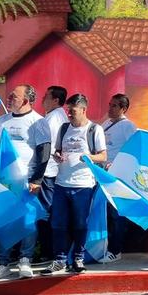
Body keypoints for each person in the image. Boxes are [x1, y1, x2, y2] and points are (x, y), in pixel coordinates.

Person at [41, 93, 108, 275]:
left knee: (80, 223)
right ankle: (59, 260)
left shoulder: (94, 129)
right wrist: (57, 156)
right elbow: (58, 151)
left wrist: (88, 157)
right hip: (62, 184)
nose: (69, 114)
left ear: (84, 110)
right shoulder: (64, 128)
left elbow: (103, 156)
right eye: (68, 110)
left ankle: (78, 257)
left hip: (83, 184)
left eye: (73, 111)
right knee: (58, 223)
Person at [0, 85, 43, 283]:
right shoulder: (1, 121)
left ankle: (25, 260)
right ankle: (1, 263)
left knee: (28, 220)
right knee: (4, 221)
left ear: (26, 100)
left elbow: (44, 152)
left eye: (13, 96)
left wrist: (36, 180)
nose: (8, 99)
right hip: (5, 183)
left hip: (27, 181)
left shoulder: (38, 122)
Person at [27, 85, 69, 262]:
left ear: (56, 100)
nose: (43, 99)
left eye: (46, 96)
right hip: (49, 171)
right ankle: (47, 250)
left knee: (45, 212)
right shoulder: (54, 116)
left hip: (48, 172)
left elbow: (46, 146)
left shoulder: (53, 119)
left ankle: (48, 252)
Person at [102, 93, 138, 263]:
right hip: (102, 176)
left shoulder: (128, 126)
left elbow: (134, 151)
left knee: (116, 214)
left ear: (123, 108)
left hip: (119, 177)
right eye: (109, 104)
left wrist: (116, 164)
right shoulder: (106, 123)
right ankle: (104, 247)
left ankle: (115, 250)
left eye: (114, 106)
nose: (110, 108)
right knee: (106, 214)